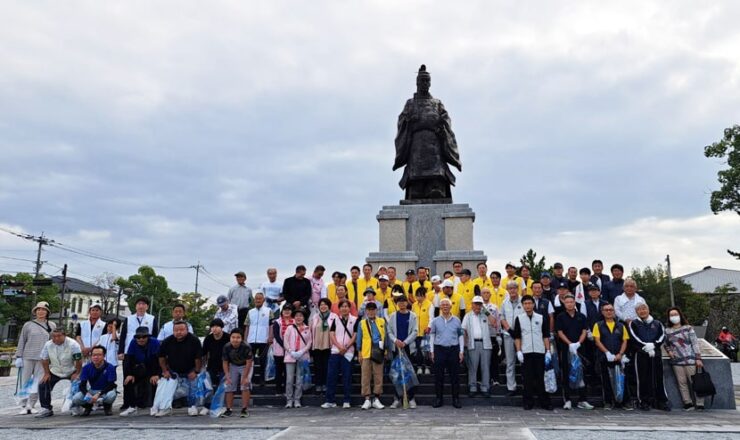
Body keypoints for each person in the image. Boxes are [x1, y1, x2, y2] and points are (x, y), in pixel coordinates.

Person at [157, 321, 205, 417]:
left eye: (182, 330)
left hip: (190, 369)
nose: (179, 332)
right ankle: (165, 408)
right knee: (166, 388)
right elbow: (161, 357)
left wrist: (196, 371)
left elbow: (199, 358)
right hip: (173, 370)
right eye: (176, 330)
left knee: (194, 387)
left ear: (187, 330)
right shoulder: (167, 341)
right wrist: (165, 371)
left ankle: (192, 406)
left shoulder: (194, 340)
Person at [15, 301, 56, 414]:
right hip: (28, 356)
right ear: (35, 312)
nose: (40, 311)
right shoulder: (28, 324)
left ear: (47, 312)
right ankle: (23, 405)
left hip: (43, 358)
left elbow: (53, 342)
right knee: (25, 381)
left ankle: (31, 405)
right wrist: (19, 356)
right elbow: (22, 340)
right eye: (38, 309)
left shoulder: (52, 325)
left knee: (38, 382)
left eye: (43, 310)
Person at [513, 295, 552, 410]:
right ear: (522, 305)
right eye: (525, 304)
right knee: (527, 379)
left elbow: (545, 335)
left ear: (533, 304)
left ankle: (545, 402)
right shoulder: (519, 318)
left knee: (541, 378)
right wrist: (518, 351)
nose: (527, 306)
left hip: (540, 351)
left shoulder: (541, 318)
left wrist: (548, 350)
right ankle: (528, 402)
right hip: (526, 352)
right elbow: (517, 337)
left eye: (530, 303)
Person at [555, 294, 594, 410]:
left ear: (574, 303)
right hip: (566, 348)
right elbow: (560, 332)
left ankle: (582, 400)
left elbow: (584, 331)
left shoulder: (581, 316)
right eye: (567, 302)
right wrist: (570, 344)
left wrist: (578, 344)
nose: (569, 304)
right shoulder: (560, 316)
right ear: (564, 304)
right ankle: (567, 400)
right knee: (566, 373)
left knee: (581, 374)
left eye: (571, 302)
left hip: (579, 349)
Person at [628, 303, 670, 411]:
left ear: (648, 309)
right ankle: (643, 401)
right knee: (642, 378)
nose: (642, 311)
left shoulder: (657, 323)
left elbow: (662, 336)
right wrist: (645, 346)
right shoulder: (634, 323)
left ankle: (661, 401)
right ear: (636, 312)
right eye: (639, 310)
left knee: (658, 377)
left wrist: (654, 345)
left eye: (644, 309)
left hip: (655, 354)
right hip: (641, 354)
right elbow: (633, 337)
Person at [35, 327, 82, 418]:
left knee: (78, 384)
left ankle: (75, 406)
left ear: (64, 335)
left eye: (59, 336)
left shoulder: (73, 344)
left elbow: (78, 360)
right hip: (55, 370)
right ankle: (46, 408)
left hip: (71, 369)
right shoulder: (48, 344)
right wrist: (46, 373)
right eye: (54, 336)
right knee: (43, 384)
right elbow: (44, 359)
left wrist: (77, 373)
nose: (56, 338)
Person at [593, 303, 632, 410]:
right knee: (606, 380)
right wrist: (607, 353)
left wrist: (620, 354)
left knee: (623, 380)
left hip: (619, 357)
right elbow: (597, 341)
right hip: (604, 357)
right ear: (602, 312)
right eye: (606, 310)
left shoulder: (621, 325)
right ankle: (608, 402)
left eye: (611, 310)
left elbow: (624, 341)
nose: (609, 312)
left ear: (614, 312)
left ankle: (625, 402)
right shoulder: (598, 325)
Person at [322, 299, 358, 409]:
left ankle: (347, 400)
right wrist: (339, 346)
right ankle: (330, 400)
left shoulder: (355, 319)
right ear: (339, 308)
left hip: (348, 352)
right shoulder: (335, 320)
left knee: (347, 377)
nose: (344, 308)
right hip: (335, 351)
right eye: (342, 306)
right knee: (331, 376)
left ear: (350, 308)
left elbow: (355, 335)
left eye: (346, 306)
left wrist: (346, 347)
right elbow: (331, 334)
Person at [430, 298, 464, 408]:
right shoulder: (435, 321)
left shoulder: (457, 320)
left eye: (447, 305)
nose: (445, 306)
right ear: (440, 307)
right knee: (438, 376)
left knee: (455, 376)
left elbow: (461, 336)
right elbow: (432, 336)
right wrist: (432, 351)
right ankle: (438, 399)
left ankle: (456, 399)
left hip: (453, 350)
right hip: (439, 349)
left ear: (451, 306)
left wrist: (461, 351)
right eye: (443, 305)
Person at [120, 326, 161, 416]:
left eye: (144, 337)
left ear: (148, 337)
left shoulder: (155, 343)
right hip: (139, 367)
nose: (141, 339)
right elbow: (129, 360)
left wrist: (157, 374)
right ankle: (132, 406)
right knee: (128, 381)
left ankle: (155, 406)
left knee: (155, 381)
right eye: (138, 337)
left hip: (153, 366)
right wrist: (130, 374)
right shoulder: (133, 343)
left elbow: (159, 360)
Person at [387, 295, 418, 408]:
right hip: (396, 348)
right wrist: (396, 341)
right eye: (399, 302)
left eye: (403, 301)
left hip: (408, 348)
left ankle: (411, 398)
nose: (401, 304)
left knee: (409, 374)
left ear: (407, 303)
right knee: (397, 374)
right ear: (396, 303)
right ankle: (397, 398)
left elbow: (415, 331)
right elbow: (389, 331)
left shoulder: (413, 316)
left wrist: (405, 342)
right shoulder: (392, 316)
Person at [462, 296, 495, 397]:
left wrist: (486, 311)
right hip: (472, 344)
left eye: (480, 304)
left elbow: (494, 322)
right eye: (476, 304)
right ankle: (472, 387)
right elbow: (463, 330)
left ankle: (485, 387)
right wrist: (464, 345)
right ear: (472, 304)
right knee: (472, 367)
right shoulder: (468, 316)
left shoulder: (486, 314)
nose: (477, 306)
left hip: (485, 344)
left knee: (485, 367)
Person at [356, 302, 387, 410]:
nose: (371, 312)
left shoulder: (382, 321)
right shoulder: (362, 323)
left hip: (378, 352)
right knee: (365, 376)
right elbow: (359, 338)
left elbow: (385, 336)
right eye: (369, 310)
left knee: (378, 376)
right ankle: (367, 398)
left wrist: (385, 351)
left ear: (376, 310)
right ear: (366, 311)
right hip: (366, 352)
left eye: (373, 309)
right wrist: (359, 352)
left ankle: (377, 398)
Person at [72, 345, 117, 416]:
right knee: (76, 398)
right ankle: (88, 407)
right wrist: (87, 393)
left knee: (111, 395)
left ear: (104, 356)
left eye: (99, 355)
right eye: (94, 355)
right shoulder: (86, 368)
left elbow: (111, 385)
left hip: (106, 390)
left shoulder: (110, 367)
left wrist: (99, 394)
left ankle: (107, 406)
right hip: (92, 390)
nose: (96, 357)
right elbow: (82, 384)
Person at [283, 308, 313, 408]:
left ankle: (297, 399)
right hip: (290, 356)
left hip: (302, 356)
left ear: (304, 318)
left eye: (301, 316)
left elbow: (309, 342)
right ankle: (289, 400)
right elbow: (285, 341)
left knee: (299, 379)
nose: (298, 318)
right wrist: (290, 351)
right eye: (296, 316)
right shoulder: (290, 328)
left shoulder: (307, 329)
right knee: (289, 379)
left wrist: (302, 351)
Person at [222, 329, 254, 418]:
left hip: (246, 365)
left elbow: (249, 362)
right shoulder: (226, 347)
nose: (235, 340)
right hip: (233, 365)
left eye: (238, 337)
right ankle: (228, 409)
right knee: (229, 385)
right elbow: (225, 362)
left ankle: (244, 409)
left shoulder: (246, 346)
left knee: (245, 385)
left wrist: (245, 377)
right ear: (230, 338)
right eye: (233, 337)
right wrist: (227, 376)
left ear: (242, 338)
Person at [500, 280, 523, 396]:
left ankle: (526, 385)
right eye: (510, 288)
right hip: (508, 335)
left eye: (514, 288)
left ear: (517, 289)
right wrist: (509, 329)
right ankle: (511, 387)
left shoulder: (523, 301)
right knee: (510, 362)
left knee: (524, 361)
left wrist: (518, 332)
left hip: (522, 336)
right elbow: (502, 317)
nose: (512, 290)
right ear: (507, 290)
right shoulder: (504, 302)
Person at [244, 291, 272, 386]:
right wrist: (245, 339)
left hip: (263, 339)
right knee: (249, 360)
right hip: (251, 339)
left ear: (263, 300)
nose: (258, 300)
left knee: (262, 360)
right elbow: (247, 326)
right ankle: (248, 378)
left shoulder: (269, 311)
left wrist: (270, 337)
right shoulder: (250, 312)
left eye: (260, 299)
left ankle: (261, 379)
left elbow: (271, 325)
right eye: (256, 299)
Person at [310, 298, 334, 395]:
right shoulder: (315, 317)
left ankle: (325, 385)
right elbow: (311, 332)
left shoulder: (334, 317)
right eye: (321, 305)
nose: (323, 307)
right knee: (317, 367)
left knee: (326, 367)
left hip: (328, 346)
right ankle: (318, 385)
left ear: (329, 306)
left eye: (325, 305)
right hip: (316, 346)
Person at [480, 287, 502, 387]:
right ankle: (482, 379)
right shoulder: (477, 306)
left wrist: (498, 335)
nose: (486, 294)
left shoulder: (494, 307)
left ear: (490, 294)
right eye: (484, 292)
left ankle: (495, 378)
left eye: (488, 292)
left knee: (494, 359)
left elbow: (497, 322)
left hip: (492, 335)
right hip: (481, 336)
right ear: (481, 294)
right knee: (482, 359)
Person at [271, 305, 295, 396]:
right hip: (279, 349)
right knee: (279, 370)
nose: (287, 311)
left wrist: (289, 347)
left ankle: (287, 390)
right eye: (285, 310)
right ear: (282, 311)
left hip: (291, 350)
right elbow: (276, 336)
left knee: (287, 371)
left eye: (289, 310)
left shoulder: (294, 321)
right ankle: (278, 390)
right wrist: (285, 346)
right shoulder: (277, 322)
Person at [412, 287, 433, 375]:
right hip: (417, 332)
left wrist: (429, 327)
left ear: (424, 296)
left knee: (426, 350)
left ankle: (427, 367)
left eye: (420, 296)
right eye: (417, 296)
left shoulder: (430, 304)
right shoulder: (414, 305)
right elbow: (412, 317)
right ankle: (419, 367)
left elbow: (431, 317)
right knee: (418, 350)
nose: (418, 298)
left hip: (426, 332)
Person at [201, 319, 228, 389]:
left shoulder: (228, 337)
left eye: (216, 326)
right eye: (212, 327)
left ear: (221, 327)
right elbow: (203, 353)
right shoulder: (208, 338)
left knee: (223, 387)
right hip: (211, 366)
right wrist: (203, 366)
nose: (214, 328)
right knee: (211, 386)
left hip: (225, 366)